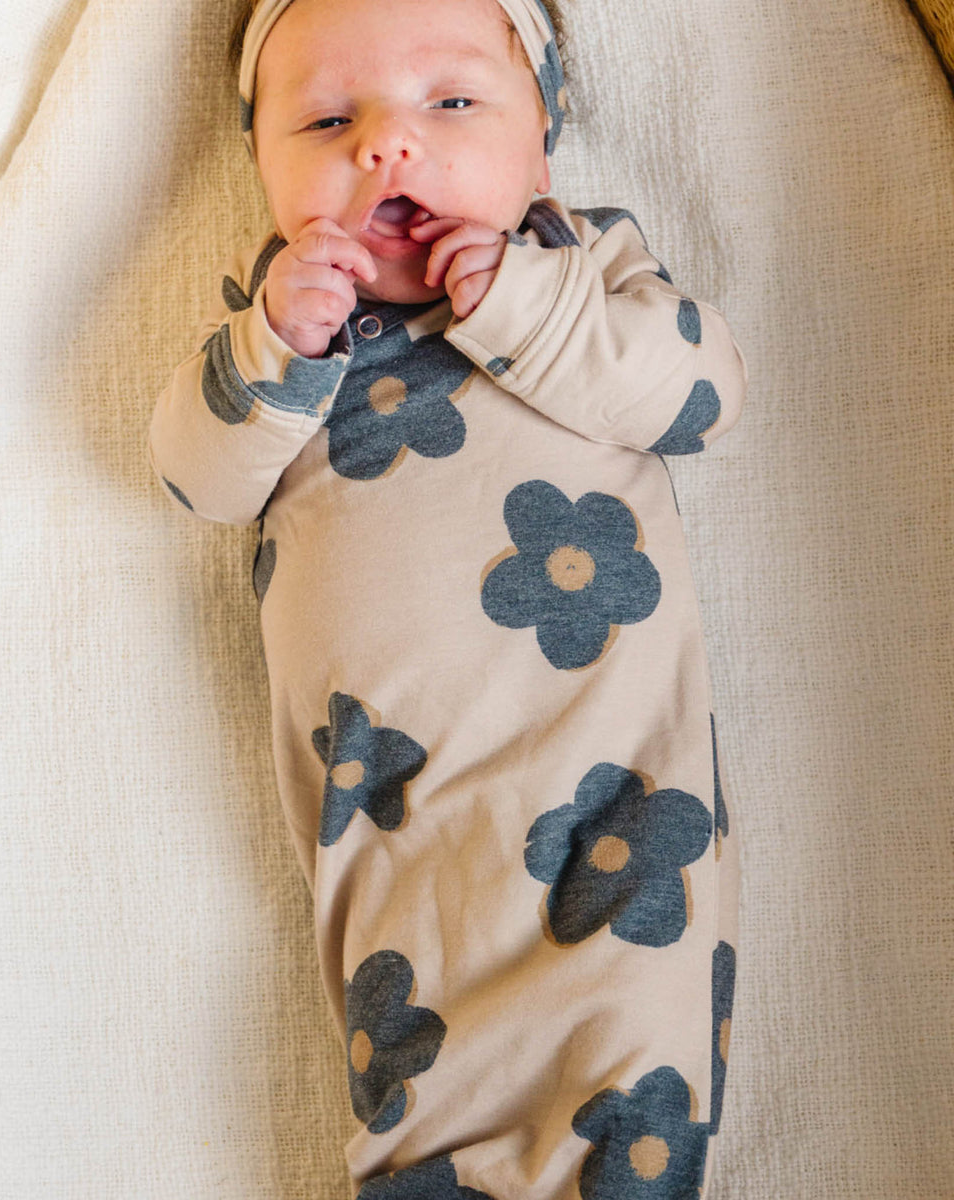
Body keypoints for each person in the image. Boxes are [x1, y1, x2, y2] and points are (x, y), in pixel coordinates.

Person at [149, 0, 745, 1195]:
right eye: (327, 119)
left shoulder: (585, 268)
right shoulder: (286, 329)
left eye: (452, 103)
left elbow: (698, 394)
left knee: (631, 1043)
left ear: (544, 134)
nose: (387, 145)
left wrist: (526, 305)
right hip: (391, 804)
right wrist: (276, 347)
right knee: (412, 1055)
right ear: (260, 159)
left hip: (614, 790)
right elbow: (197, 478)